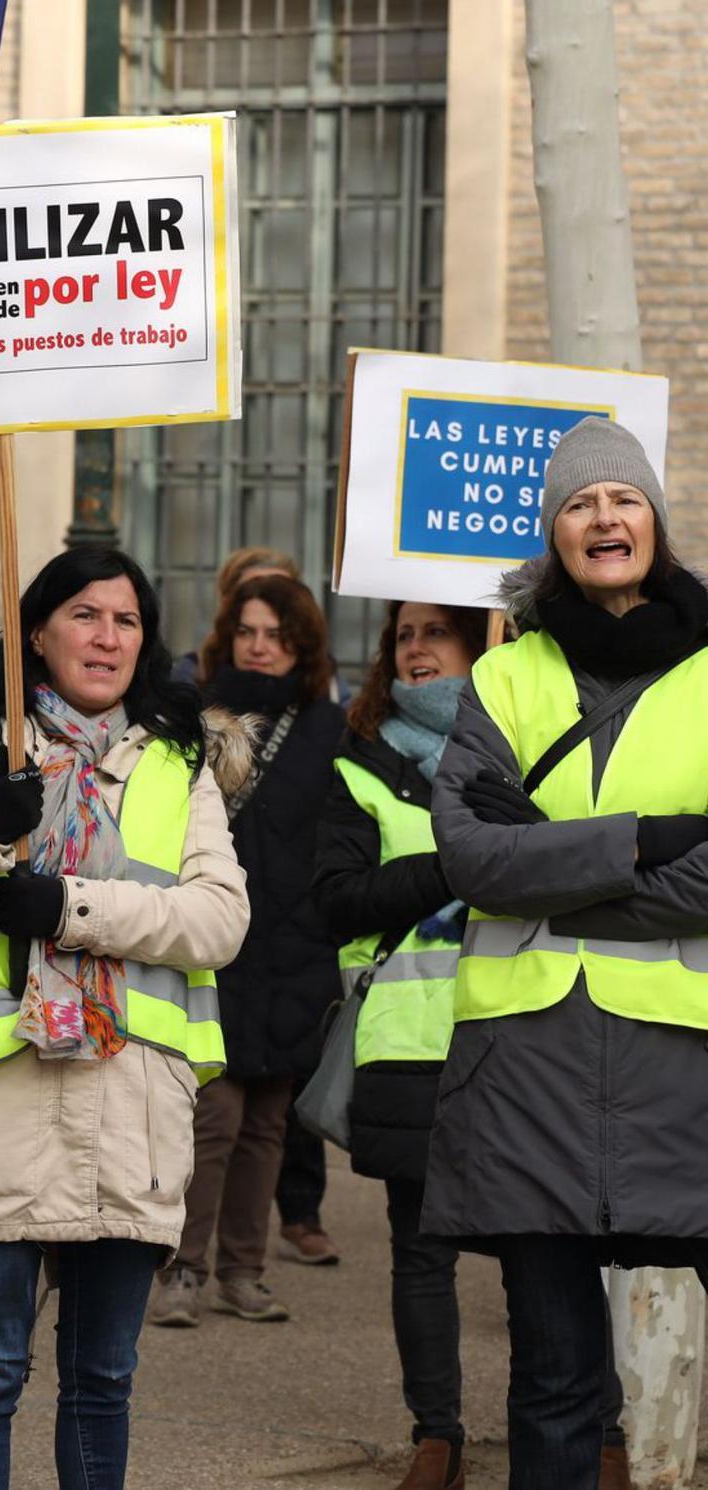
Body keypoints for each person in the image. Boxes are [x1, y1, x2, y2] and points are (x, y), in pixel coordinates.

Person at [0, 545, 250, 1490]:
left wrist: (77, 907)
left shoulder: (178, 759)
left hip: (133, 1110)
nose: (107, 636)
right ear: (36, 630)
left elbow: (220, 920)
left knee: (102, 1379)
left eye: (126, 620)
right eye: (84, 614)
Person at [425, 416, 700, 1489]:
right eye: (579, 504)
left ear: (656, 522)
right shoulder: (504, 677)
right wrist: (647, 839)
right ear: (553, 536)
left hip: (687, 1066)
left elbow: (521, 859)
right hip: (528, 1071)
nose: (603, 517)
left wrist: (563, 859)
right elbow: (473, 858)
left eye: (622, 498)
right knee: (552, 1382)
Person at [312, 600, 483, 1488]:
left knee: (546, 1248)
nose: (416, 650)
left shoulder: (538, 746)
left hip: (520, 1039)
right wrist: (460, 861)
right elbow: (339, 899)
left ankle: (586, 1429)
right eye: (402, 636)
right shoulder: (363, 768)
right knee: (422, 1252)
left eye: (435, 632)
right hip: (411, 1044)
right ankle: (438, 1436)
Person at [150, 574, 344, 1326]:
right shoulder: (194, 718)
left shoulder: (329, 727)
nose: (261, 647)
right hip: (217, 944)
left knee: (268, 1125)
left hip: (298, 950)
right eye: (249, 632)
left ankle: (244, 1269)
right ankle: (183, 1269)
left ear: (302, 647)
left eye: (278, 636)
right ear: (227, 637)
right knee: (214, 1118)